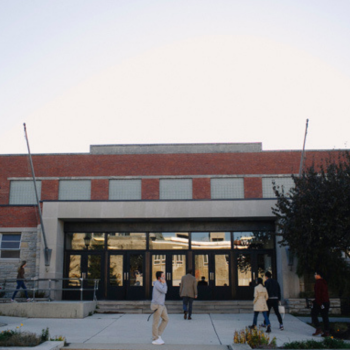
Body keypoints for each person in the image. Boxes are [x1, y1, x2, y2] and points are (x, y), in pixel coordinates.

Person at [150, 271, 169, 345]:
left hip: (162, 305)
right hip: (157, 305)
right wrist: (165, 283)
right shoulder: (157, 284)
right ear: (159, 277)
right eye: (163, 276)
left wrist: (163, 283)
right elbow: (165, 290)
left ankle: (158, 334)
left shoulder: (161, 283)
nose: (164, 277)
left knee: (166, 319)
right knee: (155, 322)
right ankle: (155, 338)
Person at [311, 271, 330, 337]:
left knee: (313, 314)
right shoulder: (324, 282)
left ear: (319, 275)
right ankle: (326, 332)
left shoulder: (318, 283)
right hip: (326, 301)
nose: (315, 276)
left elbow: (318, 294)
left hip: (320, 302)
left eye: (316, 274)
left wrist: (318, 302)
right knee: (325, 317)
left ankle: (318, 328)